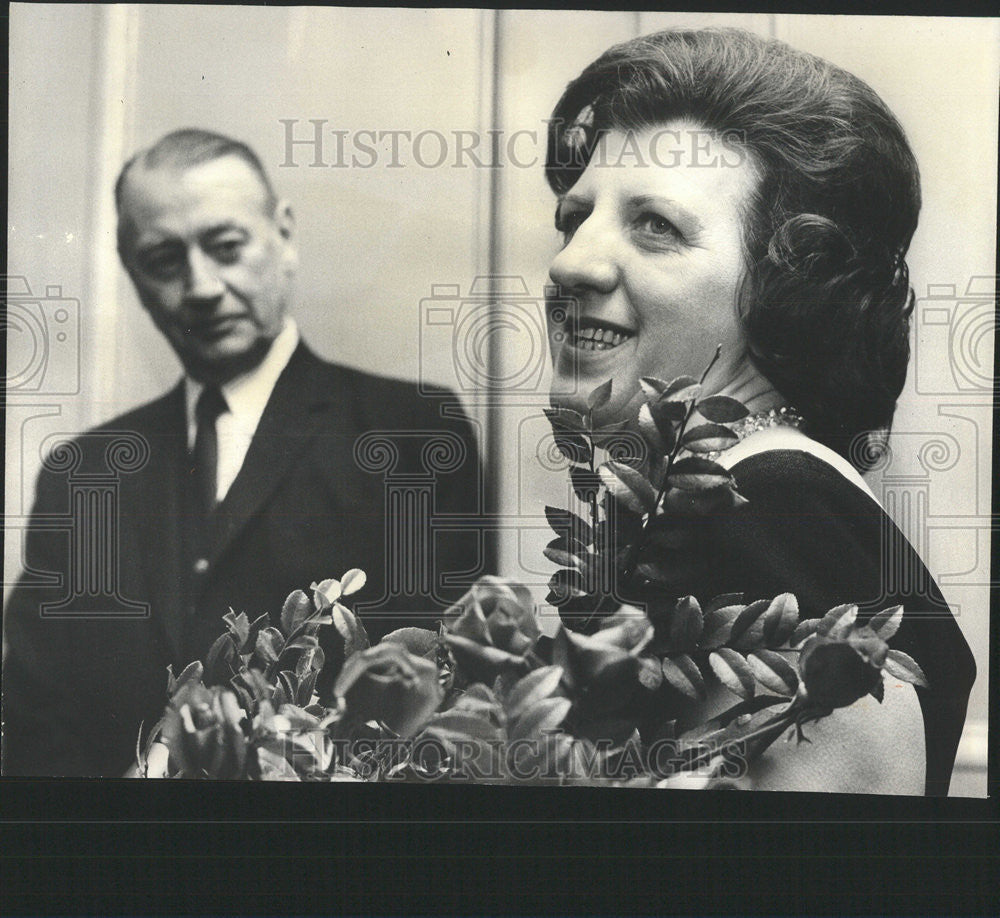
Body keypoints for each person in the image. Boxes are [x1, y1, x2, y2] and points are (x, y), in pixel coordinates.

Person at [543, 28, 975, 795]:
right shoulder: (736, 500)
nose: (570, 260)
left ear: (785, 291)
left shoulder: (771, 512)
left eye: (656, 226)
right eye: (576, 217)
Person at [2, 129, 488, 776]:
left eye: (226, 248)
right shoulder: (82, 475)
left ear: (283, 234)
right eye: (164, 260)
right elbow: (32, 729)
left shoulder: (410, 437)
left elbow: (446, 708)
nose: (201, 286)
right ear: (133, 275)